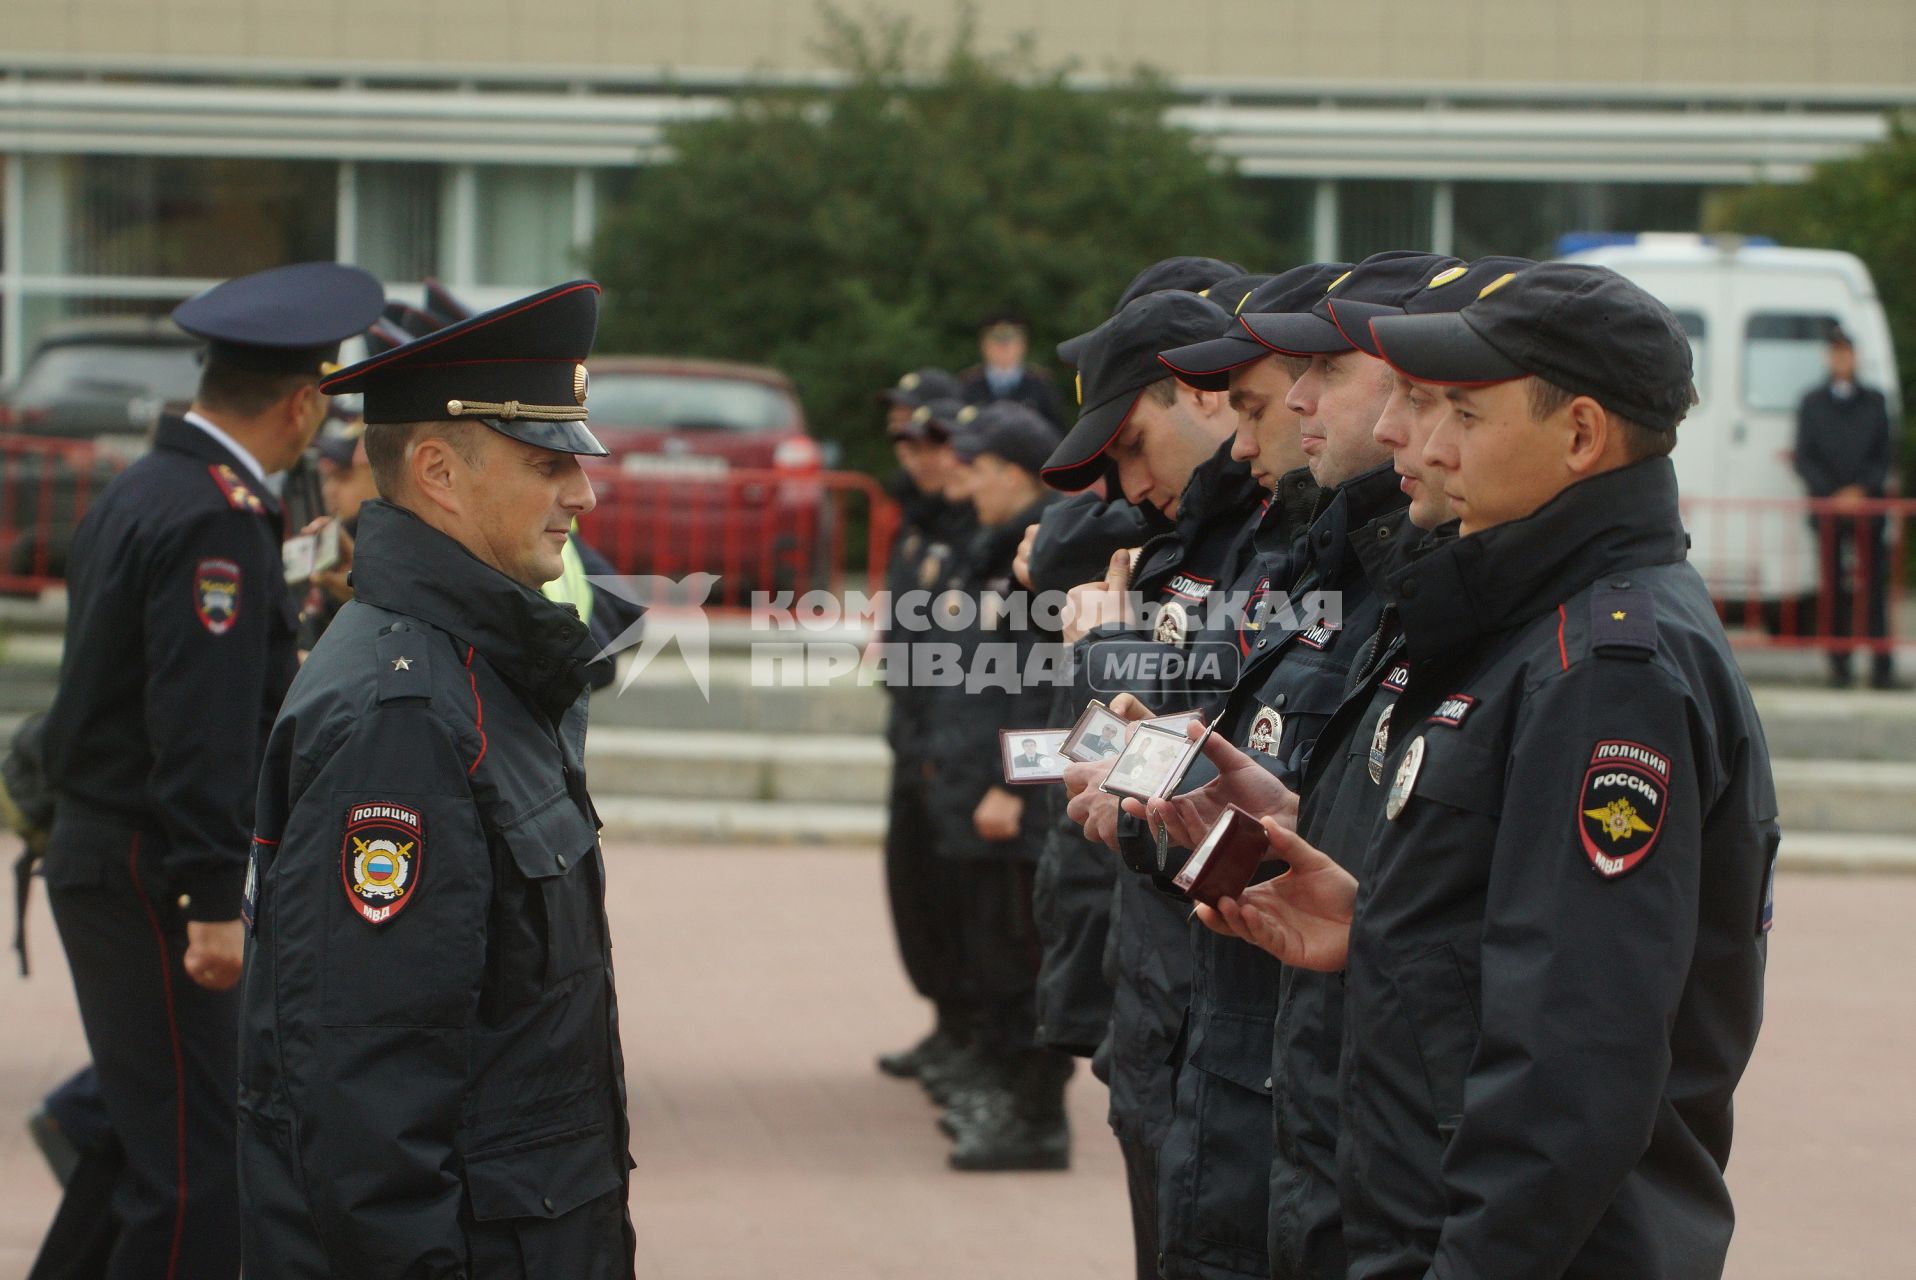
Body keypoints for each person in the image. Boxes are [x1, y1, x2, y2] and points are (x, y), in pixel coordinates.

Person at [1210, 262, 1778, 1279]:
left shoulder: (1604, 667)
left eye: (1455, 412)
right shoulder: (1511, 619)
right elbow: (1506, 940)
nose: (1403, 438)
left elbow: (1575, 1058)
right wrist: (1376, 922)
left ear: (1578, 435)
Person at [237, 281, 636, 1277]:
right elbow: (368, 1098)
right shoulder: (403, 718)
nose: (583, 494)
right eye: (549, 464)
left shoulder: (484, 667)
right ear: (437, 472)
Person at [35, 261, 384, 1280]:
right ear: (304, 400)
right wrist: (208, 896)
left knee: (152, 1131)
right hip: (151, 861)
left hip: (114, 848)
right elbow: (199, 720)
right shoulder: (216, 514)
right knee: (197, 1169)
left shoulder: (152, 485)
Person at [1040, 284, 1272, 1279]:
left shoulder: (1273, 550)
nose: (1127, 486)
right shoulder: (1194, 536)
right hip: (1170, 1015)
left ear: (1204, 397)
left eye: (1135, 445)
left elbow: (1201, 774)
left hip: (1231, 1035)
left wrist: (1105, 654)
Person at [916, 401, 1069, 1170]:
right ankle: (1007, 1091)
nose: (961, 478)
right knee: (993, 954)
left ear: (1014, 473)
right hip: (980, 782)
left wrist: (1016, 783)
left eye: (975, 466)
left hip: (1017, 797)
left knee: (1024, 959)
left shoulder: (1048, 548)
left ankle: (1037, 1116)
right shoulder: (990, 544)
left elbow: (1049, 685)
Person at [871, 368, 978, 1085]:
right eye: (904, 437)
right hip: (913, 735)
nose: (915, 451)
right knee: (915, 894)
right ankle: (949, 1025)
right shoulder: (916, 518)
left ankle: (976, 1038)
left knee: (964, 902)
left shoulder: (981, 524)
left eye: (930, 435)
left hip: (958, 743)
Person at [1794, 324, 1898, 688]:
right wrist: (1832, 495)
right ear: (1829, 357)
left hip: (1869, 511)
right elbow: (1805, 457)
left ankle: (1882, 666)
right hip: (1828, 512)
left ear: (1854, 357)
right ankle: (1840, 666)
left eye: (1847, 352)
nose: (1841, 359)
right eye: (1836, 352)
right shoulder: (1812, 402)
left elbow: (1885, 456)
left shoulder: (1875, 401)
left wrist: (1861, 492)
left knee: (1874, 589)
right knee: (1834, 588)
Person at [962, 311, 1066, 427]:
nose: (1003, 349)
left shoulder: (1041, 384)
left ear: (1022, 345)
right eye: (996, 342)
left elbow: (1056, 430)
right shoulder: (968, 384)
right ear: (984, 346)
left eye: (1009, 343)